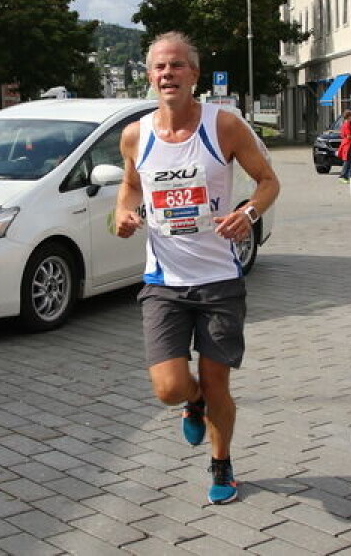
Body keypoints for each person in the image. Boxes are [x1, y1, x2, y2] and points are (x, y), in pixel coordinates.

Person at [114, 32, 280, 505]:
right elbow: (128, 190)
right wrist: (122, 215)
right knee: (168, 387)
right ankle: (193, 403)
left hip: (219, 282)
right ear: (149, 77)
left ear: (194, 75)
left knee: (216, 380)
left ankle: (222, 463)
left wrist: (247, 214)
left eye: (178, 66)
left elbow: (268, 181)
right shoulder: (135, 135)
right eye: (160, 68)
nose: (168, 74)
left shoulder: (223, 126)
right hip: (163, 282)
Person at [337, 109, 351, 183]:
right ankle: (342, 176)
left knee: (348, 161)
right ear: (348, 117)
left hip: (348, 144)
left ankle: (346, 176)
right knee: (347, 161)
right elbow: (348, 136)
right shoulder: (347, 124)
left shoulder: (346, 124)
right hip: (348, 144)